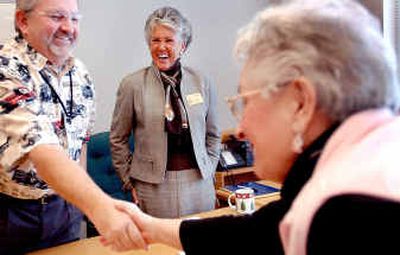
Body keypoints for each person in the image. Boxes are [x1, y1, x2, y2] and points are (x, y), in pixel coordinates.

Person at [111, 0, 400, 254]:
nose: (240, 130)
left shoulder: (343, 210)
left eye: (246, 103)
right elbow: (260, 234)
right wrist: (151, 227)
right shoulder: (358, 169)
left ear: (300, 103)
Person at [0, 0, 146, 254]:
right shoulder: (6, 69)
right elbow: (42, 150)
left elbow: (81, 145)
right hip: (12, 213)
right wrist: (101, 208)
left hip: (64, 209)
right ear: (23, 21)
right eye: (57, 17)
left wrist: (78, 204)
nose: (69, 28)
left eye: (75, 19)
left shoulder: (79, 74)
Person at [109, 6, 220, 218]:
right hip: (152, 187)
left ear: (183, 46)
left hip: (199, 183)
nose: (161, 47)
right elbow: (118, 139)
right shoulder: (132, 84)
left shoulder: (202, 82)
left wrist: (209, 167)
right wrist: (129, 181)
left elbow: (213, 134)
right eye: (155, 40)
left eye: (169, 40)